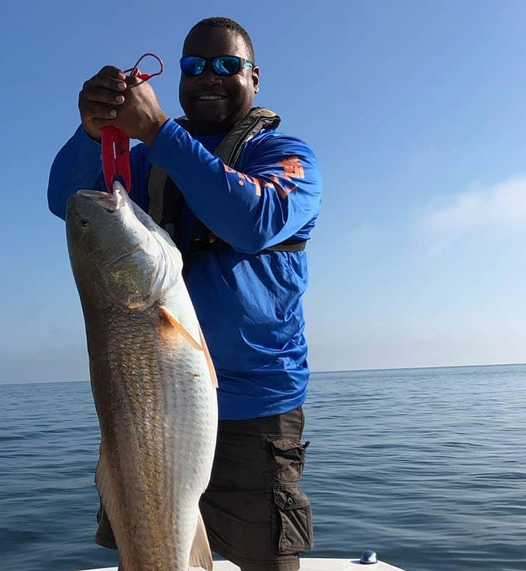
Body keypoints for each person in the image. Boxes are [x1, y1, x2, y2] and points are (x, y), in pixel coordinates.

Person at [47, 16, 321, 571]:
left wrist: (159, 131)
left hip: (255, 408)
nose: (208, 77)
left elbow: (252, 220)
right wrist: (95, 130)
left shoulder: (287, 157)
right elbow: (69, 200)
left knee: (266, 561)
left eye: (227, 65)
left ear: (256, 76)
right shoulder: (148, 159)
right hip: (142, 406)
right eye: (194, 67)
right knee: (148, 555)